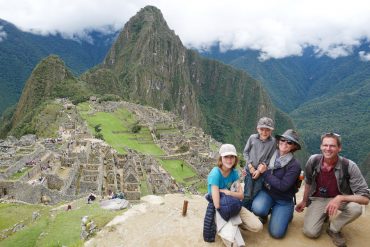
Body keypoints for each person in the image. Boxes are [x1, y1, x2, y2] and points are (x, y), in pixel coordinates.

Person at [295, 132, 369, 247]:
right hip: (318, 198)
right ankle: (324, 215)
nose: (328, 149)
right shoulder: (313, 161)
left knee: (356, 208)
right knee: (310, 232)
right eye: (325, 145)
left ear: (339, 148)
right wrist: (305, 201)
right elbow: (308, 182)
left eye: (332, 146)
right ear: (321, 146)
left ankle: (333, 228)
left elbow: (365, 198)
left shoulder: (349, 166)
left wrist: (340, 197)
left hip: (341, 199)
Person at [203, 144, 262, 242]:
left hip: (233, 205)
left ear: (235, 158)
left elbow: (241, 195)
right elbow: (217, 204)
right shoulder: (215, 174)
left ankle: (237, 224)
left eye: (232, 157)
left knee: (258, 226)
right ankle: (221, 224)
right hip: (220, 209)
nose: (229, 160)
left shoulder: (234, 173)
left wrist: (227, 192)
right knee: (233, 242)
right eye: (226, 157)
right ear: (221, 158)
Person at [251, 129, 301, 238]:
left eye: (289, 142)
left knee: (276, 233)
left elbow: (283, 186)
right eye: (282, 140)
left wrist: (265, 172)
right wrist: (250, 168)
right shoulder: (271, 154)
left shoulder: (294, 165)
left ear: (294, 146)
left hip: (283, 199)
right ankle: (267, 212)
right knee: (257, 208)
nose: (285, 143)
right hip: (267, 192)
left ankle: (285, 212)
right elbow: (257, 161)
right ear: (278, 141)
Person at [242, 117, 276, 210]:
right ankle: (243, 211)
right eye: (262, 129)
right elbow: (245, 152)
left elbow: (270, 158)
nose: (264, 132)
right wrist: (250, 165)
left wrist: (260, 170)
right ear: (257, 129)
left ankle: (253, 212)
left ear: (271, 131)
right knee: (247, 193)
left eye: (267, 130)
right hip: (249, 169)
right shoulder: (252, 138)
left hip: (261, 172)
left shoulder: (273, 142)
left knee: (256, 192)